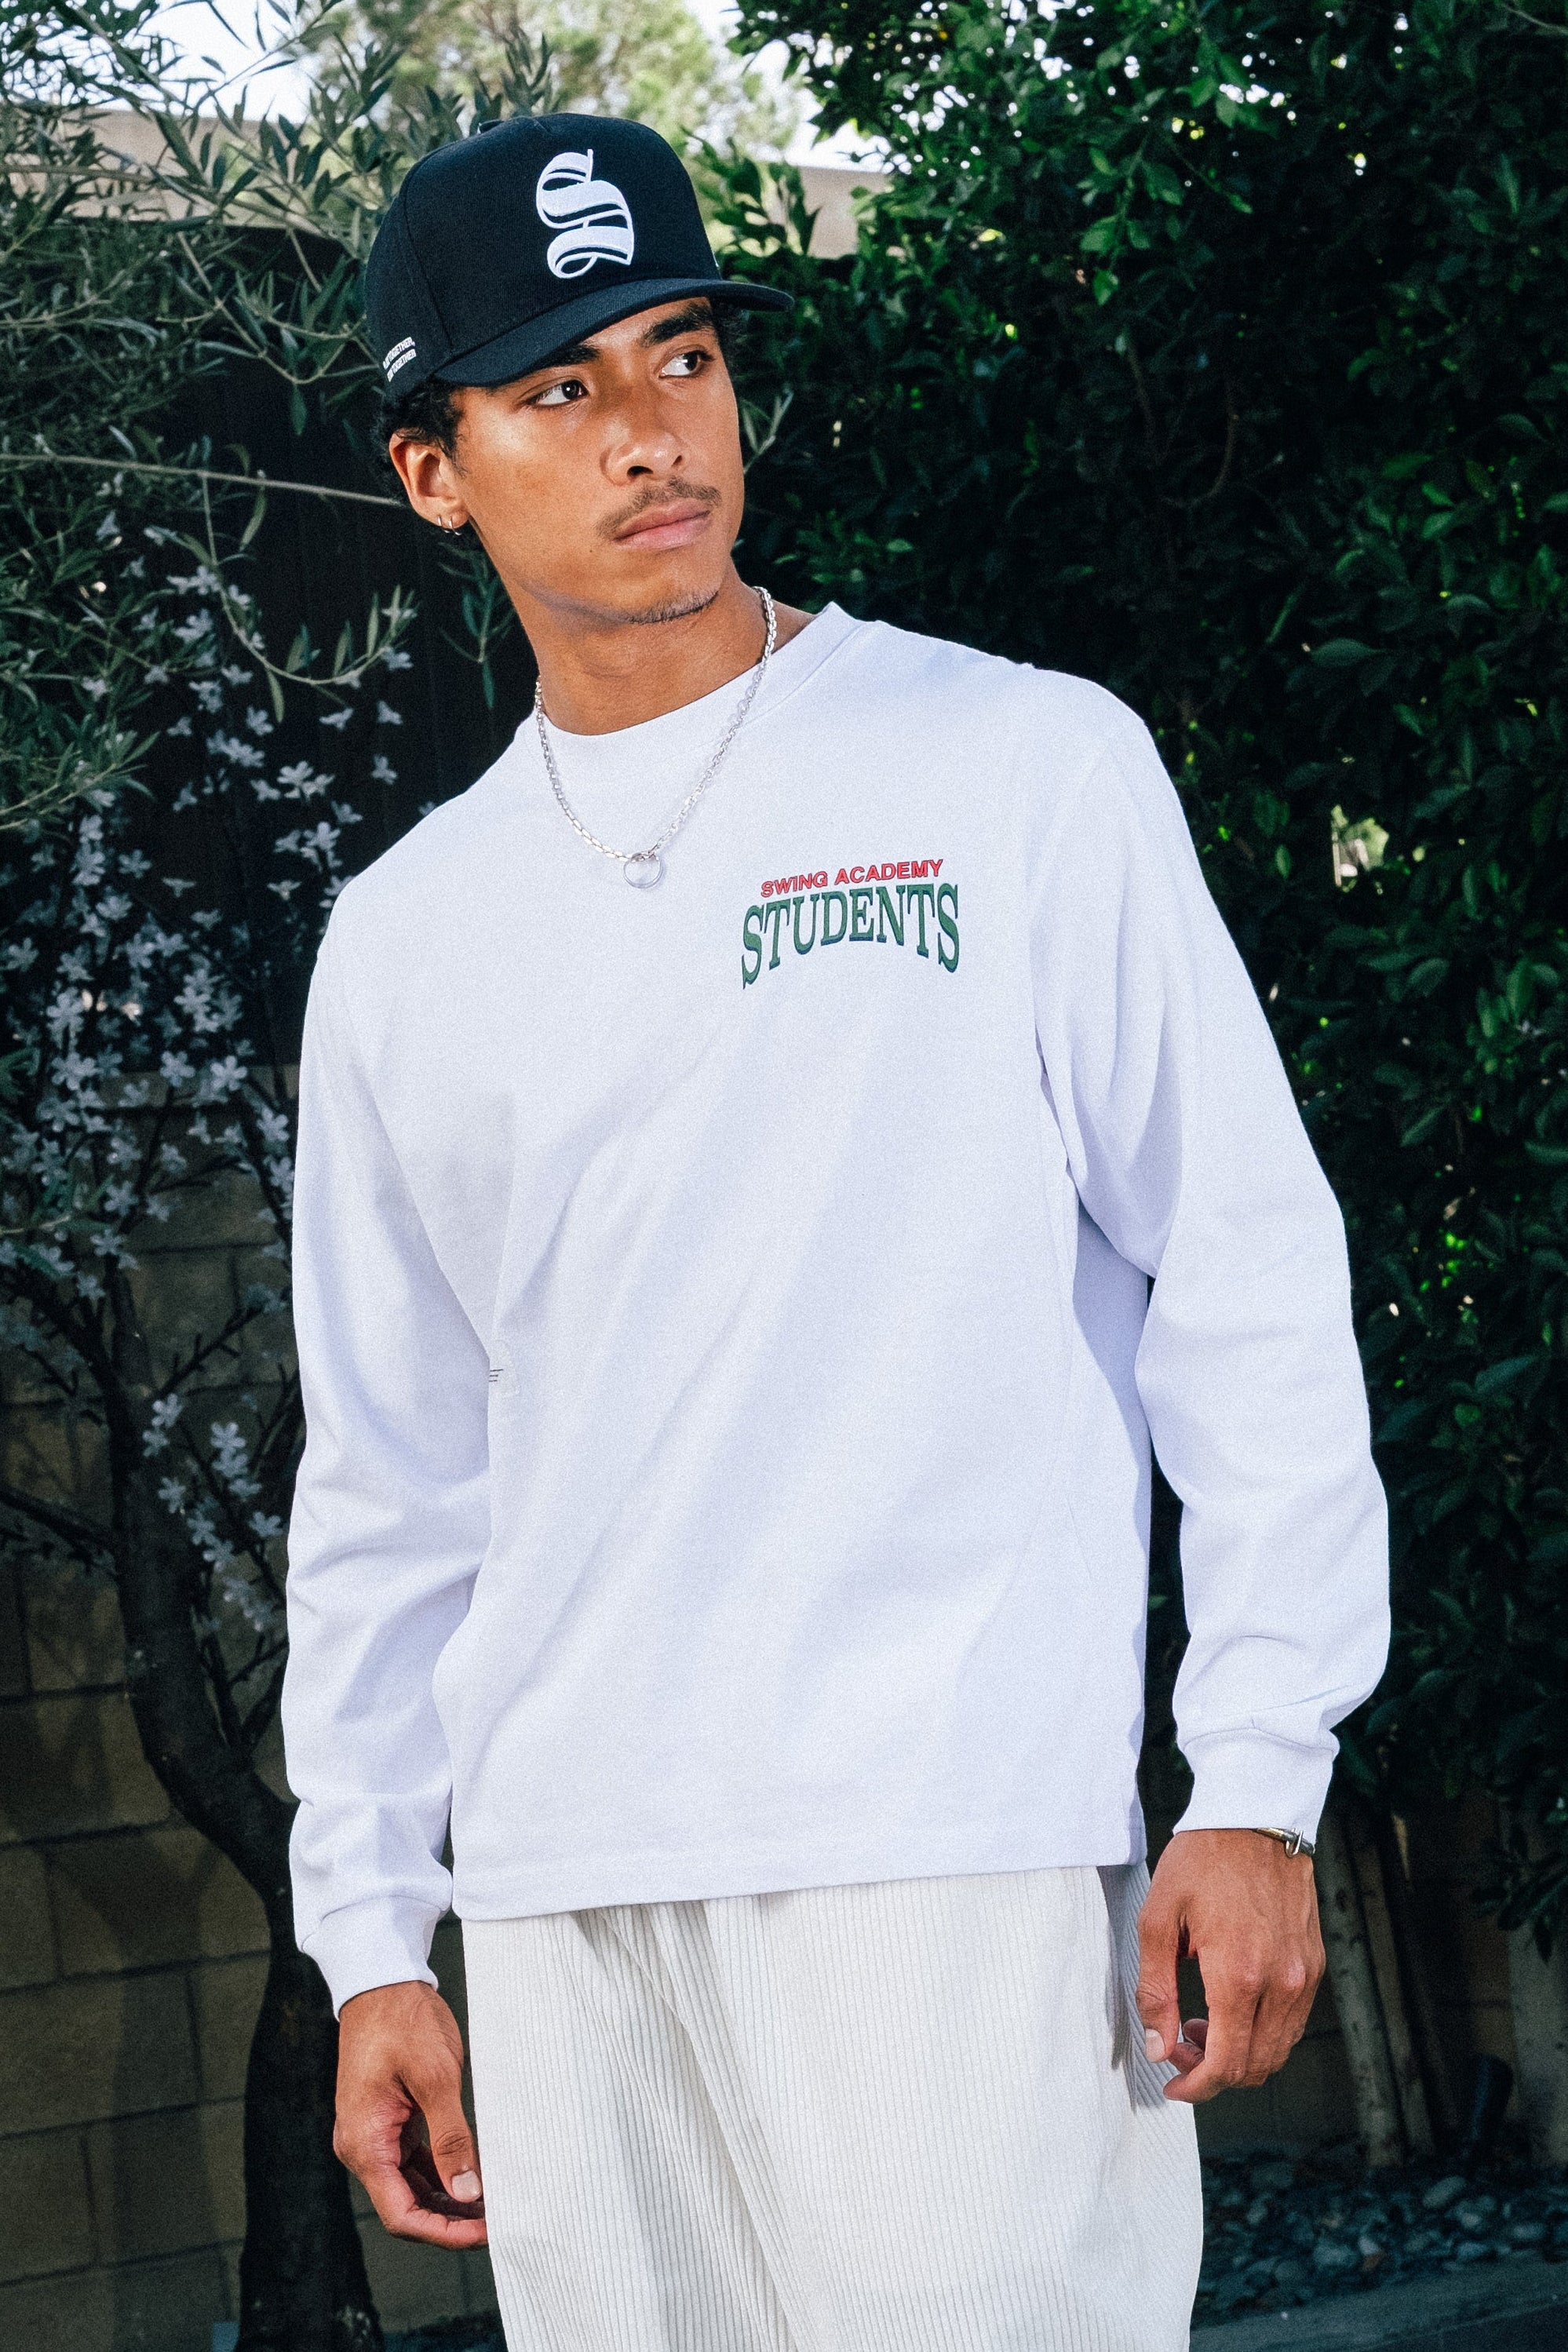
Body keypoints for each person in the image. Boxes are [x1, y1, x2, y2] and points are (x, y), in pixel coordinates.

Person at [280, 109, 1390, 2352]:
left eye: (682, 356)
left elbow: (1246, 1282)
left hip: (953, 1843)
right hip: (574, 1896)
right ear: (432, 472)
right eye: (562, 388)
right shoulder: (405, 939)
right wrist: (374, 1935)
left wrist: (1261, 1772)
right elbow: (392, 1481)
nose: (652, 435)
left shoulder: (1019, 770)